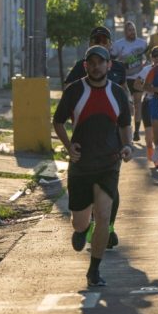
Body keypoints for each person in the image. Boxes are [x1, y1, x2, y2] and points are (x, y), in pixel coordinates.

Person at [52, 46, 132, 287]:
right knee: (80, 221)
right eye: (92, 62)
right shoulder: (75, 91)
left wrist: (127, 146)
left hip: (109, 162)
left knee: (104, 215)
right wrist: (69, 147)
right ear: (86, 66)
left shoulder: (117, 93)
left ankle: (94, 271)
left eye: (101, 62)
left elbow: (125, 125)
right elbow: (57, 122)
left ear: (109, 65)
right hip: (82, 164)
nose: (97, 66)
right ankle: (80, 229)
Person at [111, 21, 149, 142]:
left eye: (133, 29)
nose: (132, 32)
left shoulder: (143, 43)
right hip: (124, 79)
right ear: (125, 32)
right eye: (129, 30)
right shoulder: (118, 44)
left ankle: (136, 131)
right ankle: (124, 129)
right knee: (126, 106)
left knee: (138, 104)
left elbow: (149, 58)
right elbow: (112, 60)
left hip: (138, 77)